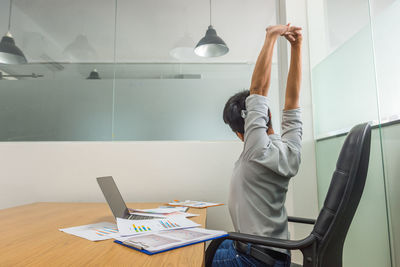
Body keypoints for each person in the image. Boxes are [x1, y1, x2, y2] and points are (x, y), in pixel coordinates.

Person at [213, 24, 303, 267]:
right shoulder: (290, 150)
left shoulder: (255, 149)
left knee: (190, 256)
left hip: (251, 259)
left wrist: (271, 37)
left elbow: (257, 91)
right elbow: (293, 100)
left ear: (240, 134)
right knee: (210, 239)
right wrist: (297, 48)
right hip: (278, 255)